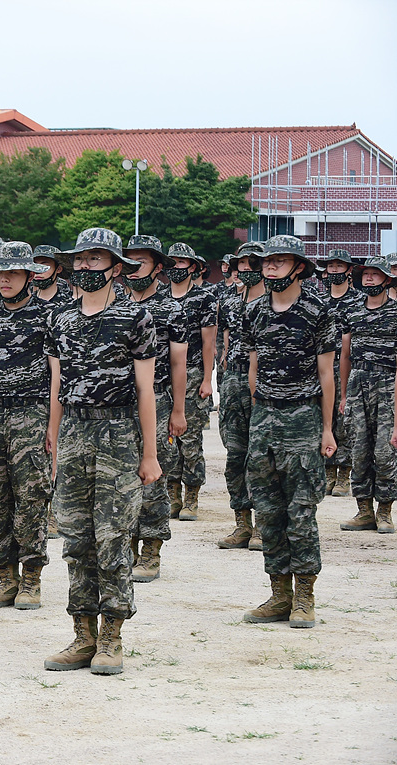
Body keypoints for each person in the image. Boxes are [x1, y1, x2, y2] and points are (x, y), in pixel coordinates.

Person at [42, 227, 159, 675]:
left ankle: (112, 637)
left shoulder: (136, 318)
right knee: (76, 538)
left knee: (113, 538)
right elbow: (57, 385)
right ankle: (82, 635)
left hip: (118, 434)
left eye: (97, 259)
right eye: (83, 259)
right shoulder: (60, 319)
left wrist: (149, 453)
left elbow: (146, 391)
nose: (88, 266)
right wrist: (53, 444)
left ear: (115, 267)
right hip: (73, 432)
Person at [242, 235, 338, 630]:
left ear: (299, 266)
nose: (270, 267)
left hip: (302, 418)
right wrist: (256, 417)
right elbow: (251, 367)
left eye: (279, 261)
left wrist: (328, 429)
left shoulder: (318, 311)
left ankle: (304, 597)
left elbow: (326, 374)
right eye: (267, 262)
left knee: (301, 512)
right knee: (267, 512)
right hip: (264, 418)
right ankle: (279, 593)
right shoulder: (255, 311)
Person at [0, 242, 56, 609]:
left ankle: (31, 578)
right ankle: (6, 577)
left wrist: (52, 426)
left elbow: (57, 376)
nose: (3, 279)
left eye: (13, 273)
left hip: (31, 413)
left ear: (29, 276)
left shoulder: (49, 316)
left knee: (32, 497)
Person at [121, 235, 188, 583]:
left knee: (153, 474)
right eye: (128, 262)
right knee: (121, 475)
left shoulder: (172, 308)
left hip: (158, 399)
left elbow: (179, 364)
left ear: (158, 268)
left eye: (141, 263)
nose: (133, 270)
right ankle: (126, 547)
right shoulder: (114, 303)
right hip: (119, 403)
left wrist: (178, 410)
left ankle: (150, 550)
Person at [339, 256, 396, 534]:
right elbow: (345, 356)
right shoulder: (351, 311)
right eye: (366, 274)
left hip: (388, 383)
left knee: (385, 452)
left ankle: (385, 511)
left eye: (376, 274)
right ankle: (364, 511)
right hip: (358, 383)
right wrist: (343, 395)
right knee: (359, 450)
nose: (369, 278)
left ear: (387, 279)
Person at [217, 242, 266, 551]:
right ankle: (242, 523)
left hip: (264, 384)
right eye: (241, 264)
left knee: (262, 458)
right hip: (234, 380)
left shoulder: (274, 304)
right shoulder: (231, 302)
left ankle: (264, 524)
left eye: (251, 263)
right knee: (236, 455)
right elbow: (224, 337)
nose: (245, 269)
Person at [164, 243, 217, 522]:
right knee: (167, 438)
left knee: (190, 437)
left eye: (181, 262)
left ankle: (191, 495)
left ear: (193, 267)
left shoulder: (204, 298)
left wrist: (208, 379)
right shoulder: (161, 297)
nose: (176, 267)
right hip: (164, 377)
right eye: (171, 262)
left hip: (194, 371)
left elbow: (209, 342)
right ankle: (172, 494)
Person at [322, 249, 357, 497]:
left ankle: (344, 473)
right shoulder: (318, 300)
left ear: (349, 270)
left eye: (339, 266)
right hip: (322, 366)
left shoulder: (358, 301)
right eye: (331, 266)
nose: (334, 270)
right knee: (323, 419)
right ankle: (326, 471)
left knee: (344, 421)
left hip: (346, 367)